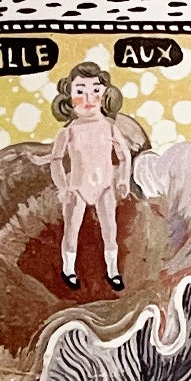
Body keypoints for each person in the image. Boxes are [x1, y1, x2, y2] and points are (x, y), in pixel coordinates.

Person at [48, 62, 134, 291]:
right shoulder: (68, 131)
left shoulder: (109, 128)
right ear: (69, 97)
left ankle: (113, 271)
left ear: (105, 95)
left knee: (110, 231)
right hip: (77, 188)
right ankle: (68, 269)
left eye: (95, 90)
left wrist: (123, 179)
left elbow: (124, 156)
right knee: (71, 230)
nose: (88, 98)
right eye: (80, 91)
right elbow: (56, 160)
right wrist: (63, 186)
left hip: (105, 186)